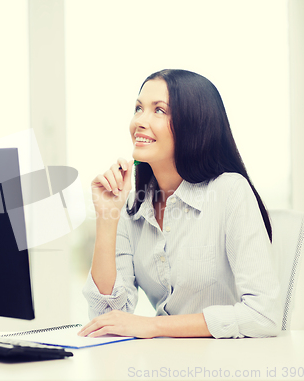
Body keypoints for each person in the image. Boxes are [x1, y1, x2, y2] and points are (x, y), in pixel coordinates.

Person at [78, 69, 281, 339]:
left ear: (194, 124)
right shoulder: (133, 206)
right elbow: (106, 319)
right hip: (164, 361)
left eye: (159, 110)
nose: (140, 120)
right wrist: (107, 217)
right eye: (138, 108)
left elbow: (263, 315)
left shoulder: (230, 191)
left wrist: (153, 326)